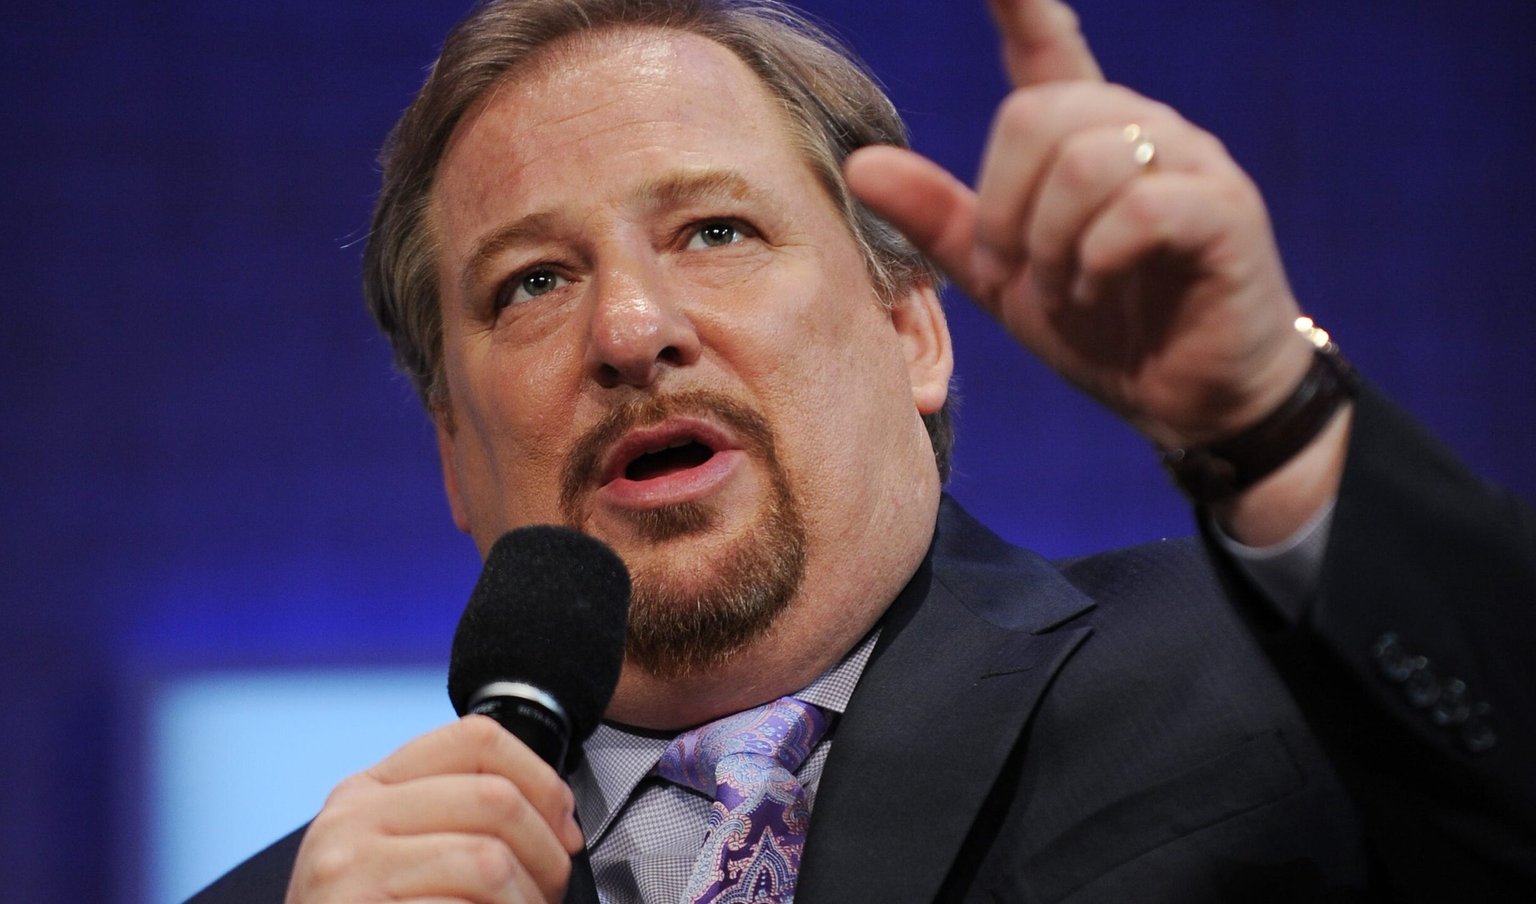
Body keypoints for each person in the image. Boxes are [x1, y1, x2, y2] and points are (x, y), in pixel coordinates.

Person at [188, 0, 1536, 901]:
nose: (632, 329)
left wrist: (1272, 418)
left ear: (911, 331)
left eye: (716, 230)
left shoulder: (1275, 676)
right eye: (532, 282)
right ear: (452, 455)